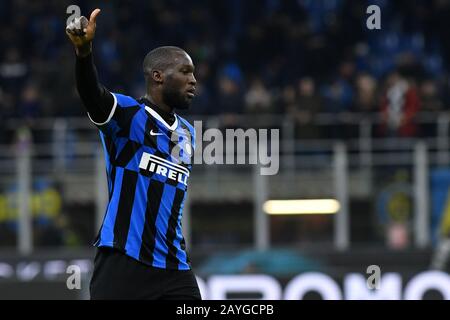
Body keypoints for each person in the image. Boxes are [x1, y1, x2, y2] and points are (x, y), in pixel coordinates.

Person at [65, 8, 201, 300]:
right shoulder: (128, 115)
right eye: (186, 72)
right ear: (158, 76)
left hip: (174, 266)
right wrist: (84, 54)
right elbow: (92, 95)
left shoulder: (188, 133)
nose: (194, 81)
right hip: (123, 262)